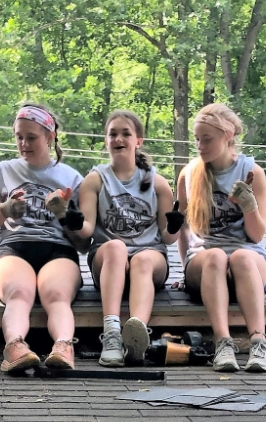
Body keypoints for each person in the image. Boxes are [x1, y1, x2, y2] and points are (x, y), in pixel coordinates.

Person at [0, 103, 86, 372]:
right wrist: (4, 210)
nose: (24, 143)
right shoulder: (3, 170)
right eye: (19, 136)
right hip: (14, 247)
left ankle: (62, 346)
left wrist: (62, 213)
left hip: (58, 249)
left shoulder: (71, 177)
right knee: (19, 293)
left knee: (57, 294)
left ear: (50, 137)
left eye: (31, 137)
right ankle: (15, 346)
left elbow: (83, 244)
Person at [72, 110, 182, 367]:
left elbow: (167, 238)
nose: (118, 139)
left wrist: (175, 227)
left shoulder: (157, 183)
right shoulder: (95, 180)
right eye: (113, 134)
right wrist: (74, 222)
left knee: (143, 259)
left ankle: (136, 335)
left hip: (150, 257)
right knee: (116, 247)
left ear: (138, 141)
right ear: (106, 140)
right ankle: (111, 333)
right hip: (109, 260)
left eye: (125, 133)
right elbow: (87, 232)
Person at [176, 103, 266, 373]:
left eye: (207, 139)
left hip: (248, 257)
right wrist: (185, 268)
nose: (200, 146)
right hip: (205, 260)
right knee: (216, 255)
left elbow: (256, 236)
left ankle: (258, 343)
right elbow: (183, 228)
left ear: (228, 135)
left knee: (240, 256)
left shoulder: (253, 172)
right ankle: (223, 343)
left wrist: (248, 206)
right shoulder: (189, 174)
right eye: (197, 139)